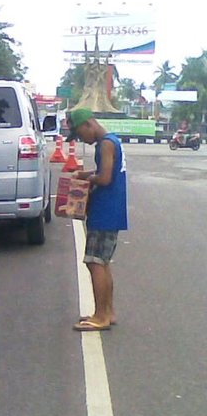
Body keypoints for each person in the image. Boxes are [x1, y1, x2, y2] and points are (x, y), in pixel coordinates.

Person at [66, 108, 128, 331]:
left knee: (94, 262)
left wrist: (88, 180)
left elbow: (104, 177)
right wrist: (85, 174)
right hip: (111, 211)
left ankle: (100, 316)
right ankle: (107, 312)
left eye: (80, 134)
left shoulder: (105, 144)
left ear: (89, 125)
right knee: (102, 262)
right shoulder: (111, 142)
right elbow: (104, 170)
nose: (82, 139)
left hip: (104, 211)